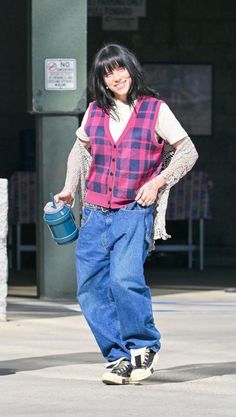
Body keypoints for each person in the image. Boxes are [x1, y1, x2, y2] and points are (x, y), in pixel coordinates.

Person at [54, 43, 198, 385]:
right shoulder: (95, 111)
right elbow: (79, 150)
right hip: (94, 212)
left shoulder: (155, 109)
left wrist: (158, 182)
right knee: (89, 289)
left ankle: (144, 347)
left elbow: (187, 151)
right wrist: (69, 188)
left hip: (133, 211)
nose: (115, 76)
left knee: (124, 280)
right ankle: (118, 357)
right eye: (107, 73)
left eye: (119, 68)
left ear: (130, 69)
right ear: (101, 81)